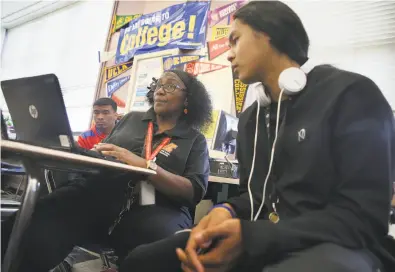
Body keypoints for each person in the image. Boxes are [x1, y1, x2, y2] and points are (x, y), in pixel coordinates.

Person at [123, 1, 395, 272]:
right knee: (141, 260)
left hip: (337, 245)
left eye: (235, 40)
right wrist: (226, 210)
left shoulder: (351, 94)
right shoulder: (252, 118)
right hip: (263, 239)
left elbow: (363, 219)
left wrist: (252, 238)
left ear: (268, 34)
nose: (229, 55)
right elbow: (255, 198)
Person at [1, 70, 213, 271]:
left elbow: (192, 191)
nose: (160, 90)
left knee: (164, 246)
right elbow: (103, 156)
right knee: (42, 217)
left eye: (171, 85)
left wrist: (141, 164)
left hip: (158, 207)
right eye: (159, 84)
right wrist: (78, 153)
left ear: (188, 99)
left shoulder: (194, 140)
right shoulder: (132, 119)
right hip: (103, 192)